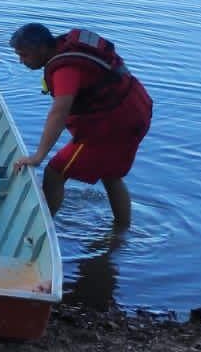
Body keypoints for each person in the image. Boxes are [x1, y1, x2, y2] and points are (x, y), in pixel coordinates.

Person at [10, 24, 153, 228]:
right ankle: (121, 231)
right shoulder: (64, 48)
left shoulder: (65, 69)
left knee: (55, 172)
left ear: (41, 48)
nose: (21, 61)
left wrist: (38, 156)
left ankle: (42, 230)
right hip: (136, 109)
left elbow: (59, 112)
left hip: (113, 125)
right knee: (110, 174)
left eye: (24, 55)